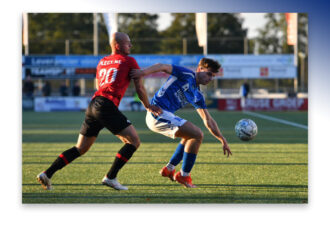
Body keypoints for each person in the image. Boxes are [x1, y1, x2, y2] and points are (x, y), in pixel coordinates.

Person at [37, 32, 162, 191]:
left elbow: (99, 86)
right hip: (106, 105)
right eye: (127, 43)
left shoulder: (102, 61)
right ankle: (110, 177)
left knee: (80, 148)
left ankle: (47, 174)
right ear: (117, 45)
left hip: (93, 104)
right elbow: (140, 87)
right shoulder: (129, 60)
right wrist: (148, 105)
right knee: (134, 141)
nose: (131, 45)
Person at [131, 58, 232, 188]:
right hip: (157, 114)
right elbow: (162, 66)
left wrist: (222, 139)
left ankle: (169, 168)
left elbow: (208, 120)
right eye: (209, 74)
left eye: (213, 76)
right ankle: (184, 176)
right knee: (197, 134)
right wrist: (143, 73)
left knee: (189, 136)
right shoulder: (187, 74)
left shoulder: (197, 94)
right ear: (200, 69)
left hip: (165, 115)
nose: (210, 78)